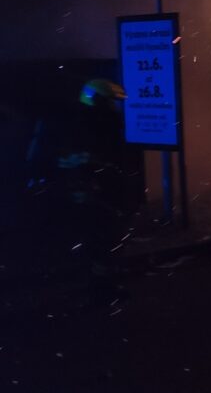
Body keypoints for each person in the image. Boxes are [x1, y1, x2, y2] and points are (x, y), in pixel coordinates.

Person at [57, 78, 134, 305]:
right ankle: (101, 290)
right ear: (98, 101)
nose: (115, 108)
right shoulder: (86, 127)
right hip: (89, 194)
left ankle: (99, 286)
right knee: (100, 240)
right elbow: (83, 162)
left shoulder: (92, 123)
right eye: (111, 102)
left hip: (94, 193)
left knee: (101, 240)